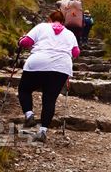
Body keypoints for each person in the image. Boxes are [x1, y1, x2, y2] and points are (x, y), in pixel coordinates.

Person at [17, 10, 80, 142]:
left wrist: (21, 40)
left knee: (24, 89)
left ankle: (29, 115)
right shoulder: (70, 33)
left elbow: (26, 43)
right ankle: (43, 131)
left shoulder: (41, 27)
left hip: (38, 63)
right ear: (63, 22)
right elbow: (75, 52)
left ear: (49, 19)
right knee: (50, 99)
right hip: (61, 67)